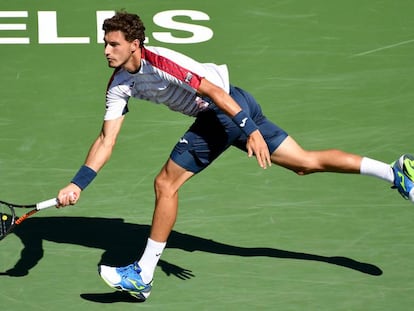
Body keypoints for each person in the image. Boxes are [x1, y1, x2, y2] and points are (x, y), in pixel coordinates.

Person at [57, 11, 414, 301]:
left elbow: (210, 90)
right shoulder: (120, 83)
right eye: (105, 44)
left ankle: (142, 275)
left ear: (134, 44)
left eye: (113, 44)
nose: (106, 50)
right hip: (237, 101)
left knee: (165, 184)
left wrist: (249, 130)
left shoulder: (160, 61)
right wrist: (79, 183)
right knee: (305, 163)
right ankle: (395, 172)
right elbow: (107, 139)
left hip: (223, 111)